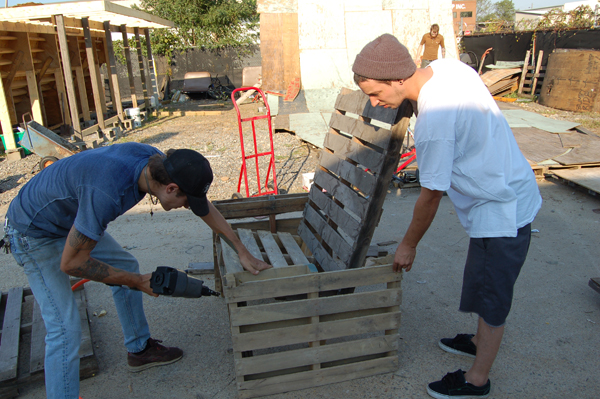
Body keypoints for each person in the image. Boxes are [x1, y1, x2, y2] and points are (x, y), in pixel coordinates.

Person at [352, 34, 542, 398]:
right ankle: (476, 341)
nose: (374, 102)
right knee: (480, 276)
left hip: (502, 207)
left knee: (493, 296)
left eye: (376, 93)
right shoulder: (445, 68)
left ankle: (477, 380)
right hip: (501, 187)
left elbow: (431, 194)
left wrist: (408, 245)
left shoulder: (434, 124)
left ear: (398, 79)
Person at [4, 142, 271, 399]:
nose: (188, 207)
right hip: (34, 233)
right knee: (65, 329)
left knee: (125, 265)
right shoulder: (108, 192)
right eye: (186, 201)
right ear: (170, 188)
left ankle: (139, 349)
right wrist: (137, 281)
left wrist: (241, 249)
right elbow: (71, 264)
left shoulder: (155, 162)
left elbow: (205, 208)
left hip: (71, 220)